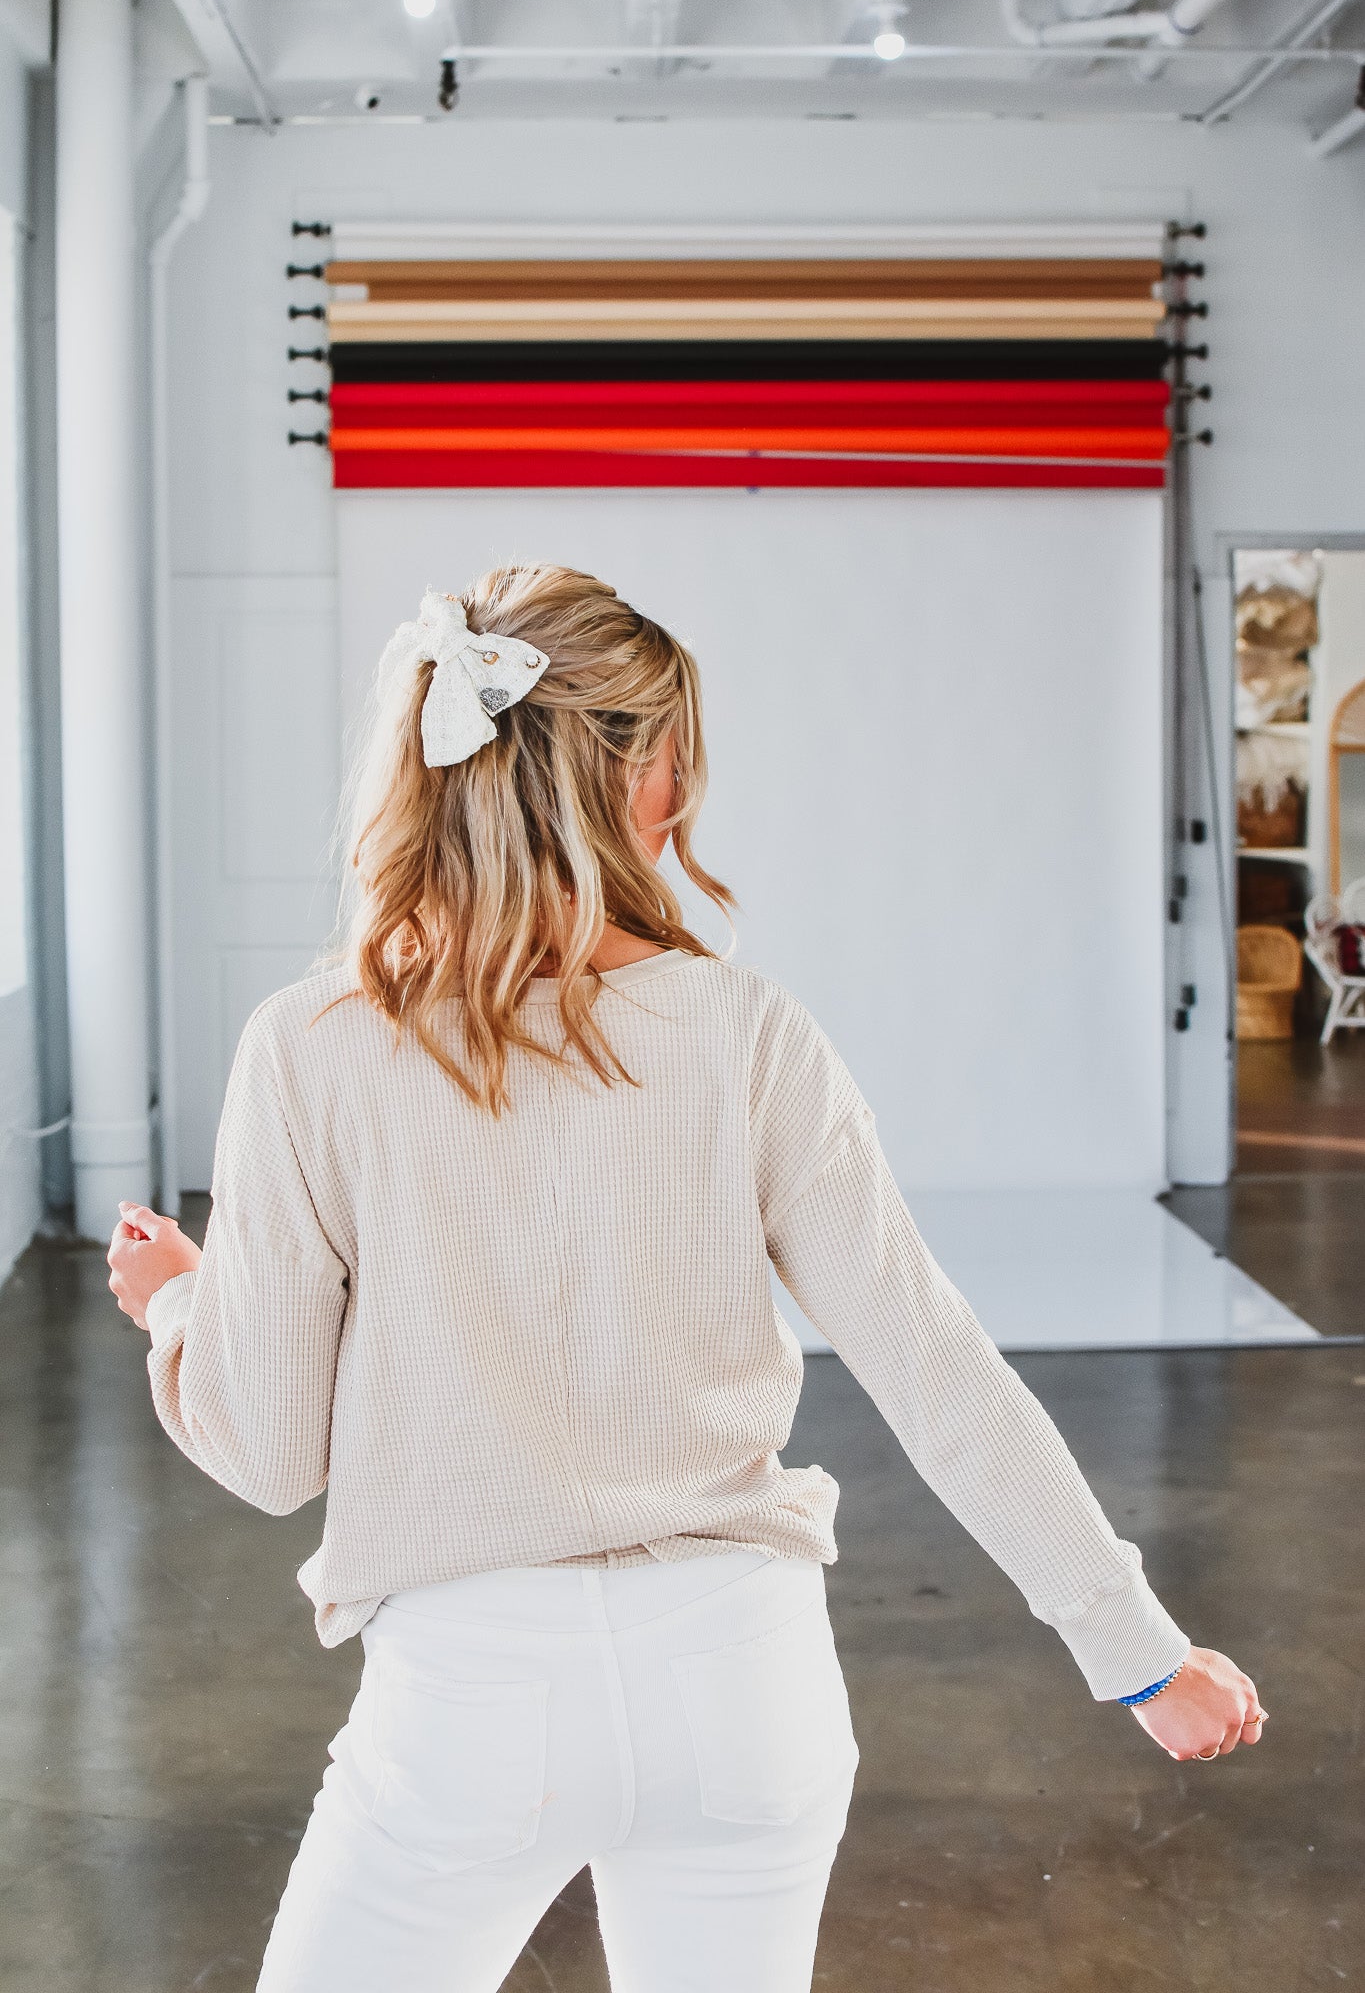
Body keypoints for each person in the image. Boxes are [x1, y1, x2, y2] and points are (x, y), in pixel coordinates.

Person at [108, 563, 1265, 1993]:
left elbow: (271, 1452)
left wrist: (177, 1305)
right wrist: (1138, 1656)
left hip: (470, 1712)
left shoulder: (311, 1045)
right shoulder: (746, 1032)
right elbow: (932, 1364)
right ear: (642, 782)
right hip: (745, 1687)